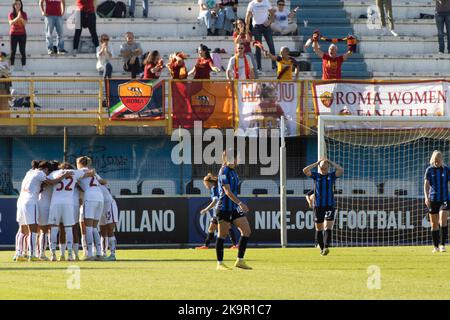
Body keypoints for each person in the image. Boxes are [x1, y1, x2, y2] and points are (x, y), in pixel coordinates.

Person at [17, 161, 72, 261]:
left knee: (23, 230)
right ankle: (38, 254)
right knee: (42, 231)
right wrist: (64, 175)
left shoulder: (30, 172)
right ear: (47, 169)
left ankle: (19, 253)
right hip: (39, 204)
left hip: (23, 201)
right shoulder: (45, 174)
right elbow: (52, 182)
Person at [47, 162, 93, 262]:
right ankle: (70, 255)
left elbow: (48, 180)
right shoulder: (74, 172)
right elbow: (89, 173)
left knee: (54, 229)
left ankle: (53, 254)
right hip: (68, 204)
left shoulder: (55, 173)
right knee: (69, 229)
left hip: (55, 203)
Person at [215, 149, 252, 270]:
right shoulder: (224, 171)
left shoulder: (233, 171)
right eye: (238, 157)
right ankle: (219, 264)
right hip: (224, 207)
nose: (239, 160)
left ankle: (240, 261)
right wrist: (240, 203)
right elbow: (227, 191)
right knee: (222, 235)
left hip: (233, 208)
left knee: (246, 230)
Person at [303, 158, 343, 256]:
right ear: (319, 167)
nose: (324, 165)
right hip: (318, 206)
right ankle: (321, 248)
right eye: (322, 164)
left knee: (328, 227)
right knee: (319, 228)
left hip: (329, 205)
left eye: (326, 164)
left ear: (328, 166)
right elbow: (305, 170)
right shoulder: (316, 176)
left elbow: (341, 170)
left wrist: (330, 161)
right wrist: (316, 163)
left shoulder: (331, 176)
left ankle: (326, 247)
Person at [196, 173, 238, 250]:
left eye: (206, 184)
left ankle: (235, 245)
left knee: (227, 227)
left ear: (210, 182)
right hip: (217, 212)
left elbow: (215, 201)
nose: (205, 186)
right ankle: (206, 245)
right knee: (211, 228)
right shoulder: (214, 188)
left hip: (222, 211)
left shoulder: (215, 188)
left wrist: (206, 209)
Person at [76, 156, 104, 261]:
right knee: (94, 228)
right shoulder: (94, 172)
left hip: (90, 198)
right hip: (99, 198)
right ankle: (99, 253)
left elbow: (70, 177)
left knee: (88, 228)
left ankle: (90, 254)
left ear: (79, 163)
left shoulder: (79, 172)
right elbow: (103, 182)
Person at [424, 150, 449, 253]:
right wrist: (426, 197)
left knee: (443, 219)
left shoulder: (446, 170)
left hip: (445, 199)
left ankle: (442, 245)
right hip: (433, 199)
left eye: (438, 160)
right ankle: (436, 247)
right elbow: (426, 185)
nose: (437, 162)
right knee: (434, 224)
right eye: (435, 161)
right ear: (432, 160)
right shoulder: (429, 170)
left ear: (441, 160)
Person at [245, 0, 276, 71]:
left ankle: (274, 66)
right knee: (258, 47)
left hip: (266, 26)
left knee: (271, 46)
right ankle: (259, 67)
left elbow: (273, 14)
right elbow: (247, 17)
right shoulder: (252, 3)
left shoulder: (266, 2)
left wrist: (269, 21)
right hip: (256, 27)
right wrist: (246, 32)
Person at [99, 184, 118, 260]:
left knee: (110, 228)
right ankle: (103, 253)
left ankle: (112, 254)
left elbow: (105, 182)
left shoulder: (94, 176)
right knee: (102, 231)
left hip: (108, 204)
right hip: (100, 206)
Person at [8, 0, 28, 72]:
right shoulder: (11, 14)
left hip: (22, 34)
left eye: (19, 4)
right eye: (16, 4)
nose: (18, 6)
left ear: (21, 5)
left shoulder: (24, 13)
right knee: (13, 51)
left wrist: (20, 17)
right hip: (13, 34)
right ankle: (11, 66)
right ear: (14, 5)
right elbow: (11, 23)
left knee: (22, 50)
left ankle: (24, 65)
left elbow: (24, 23)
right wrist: (17, 17)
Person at [0, 52, 11, 119]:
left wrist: (3, 73)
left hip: (4, 82)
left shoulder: (6, 63)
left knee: (4, 102)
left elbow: (7, 72)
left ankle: (5, 118)